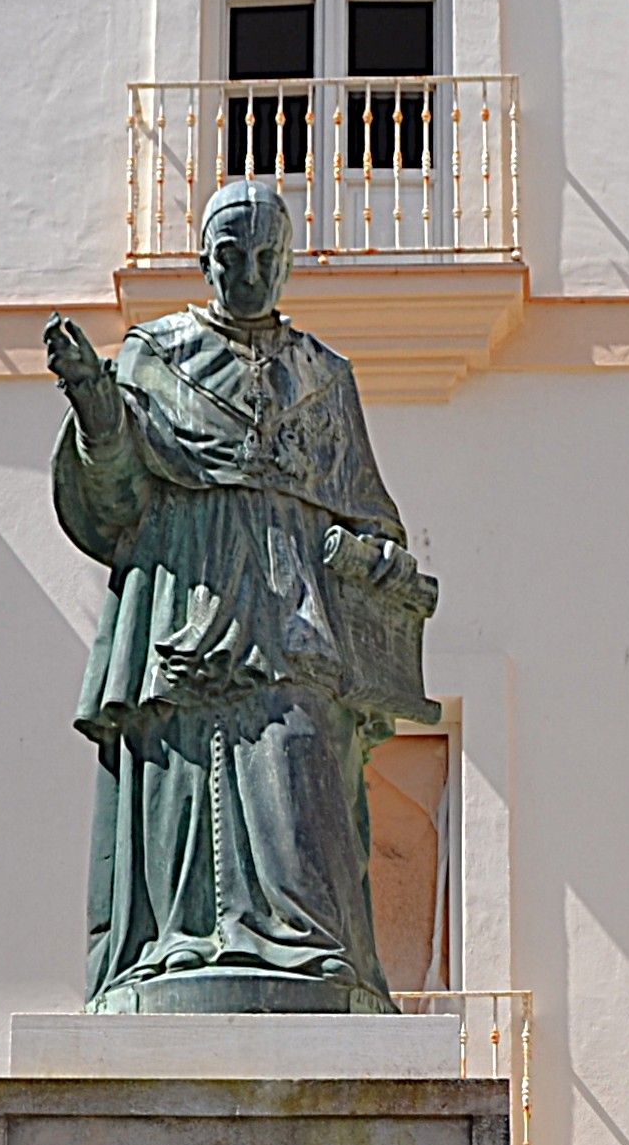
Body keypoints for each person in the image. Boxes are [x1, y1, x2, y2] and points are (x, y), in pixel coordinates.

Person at [42, 179, 438, 1012]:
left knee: (301, 765)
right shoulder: (154, 358)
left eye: (266, 258)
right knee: (182, 786)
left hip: (293, 615)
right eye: (232, 257)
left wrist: (366, 555)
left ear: (288, 263)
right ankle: (173, 952)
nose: (249, 274)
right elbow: (114, 505)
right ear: (203, 260)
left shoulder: (322, 378)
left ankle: (312, 959)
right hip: (183, 599)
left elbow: (371, 511)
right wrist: (96, 408)